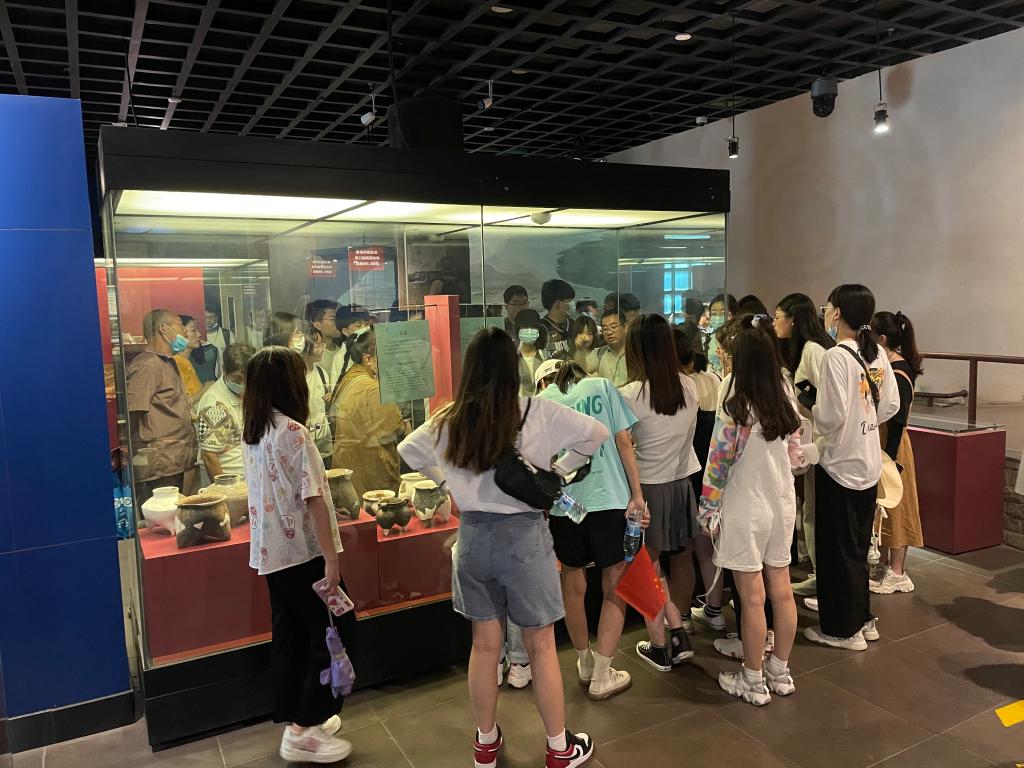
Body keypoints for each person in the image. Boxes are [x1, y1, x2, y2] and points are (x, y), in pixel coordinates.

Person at [398, 327, 607, 768]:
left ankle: (485, 744)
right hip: (524, 538)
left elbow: (408, 450)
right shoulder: (536, 410)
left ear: (470, 368)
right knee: (541, 646)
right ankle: (559, 748)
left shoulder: (449, 419)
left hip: (473, 537)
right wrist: (558, 472)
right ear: (513, 368)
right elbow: (596, 433)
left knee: (484, 645)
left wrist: (448, 484)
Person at [241, 346, 352, 764]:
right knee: (336, 632)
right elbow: (314, 499)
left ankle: (296, 717)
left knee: (291, 636)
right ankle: (306, 727)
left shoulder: (255, 431)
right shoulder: (294, 432)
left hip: (272, 555)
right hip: (304, 554)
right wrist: (332, 560)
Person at [698, 315, 812, 706]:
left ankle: (752, 678)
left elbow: (719, 461)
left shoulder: (735, 397)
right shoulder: (784, 391)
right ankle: (779, 670)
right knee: (782, 591)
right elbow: (796, 452)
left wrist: (707, 509)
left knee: (751, 597)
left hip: (746, 505)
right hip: (781, 502)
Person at [535, 358, 647, 701]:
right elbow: (624, 442)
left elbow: (539, 461)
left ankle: (584, 662)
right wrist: (638, 495)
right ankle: (602, 674)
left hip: (566, 505)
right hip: (609, 499)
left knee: (572, 582)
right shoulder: (601, 387)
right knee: (614, 584)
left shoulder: (543, 401)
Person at [806, 285, 899, 650]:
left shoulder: (836, 357)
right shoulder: (876, 353)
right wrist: (865, 420)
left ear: (838, 313)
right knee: (859, 547)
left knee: (837, 549)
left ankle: (842, 630)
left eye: (828, 307)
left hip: (840, 464)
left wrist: (809, 406)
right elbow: (889, 405)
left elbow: (829, 417)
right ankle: (862, 619)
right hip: (868, 460)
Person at [619, 314, 701, 672]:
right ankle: (678, 630)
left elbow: (623, 446)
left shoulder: (630, 395)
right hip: (680, 484)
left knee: (646, 567)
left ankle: (661, 644)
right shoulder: (689, 386)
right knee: (670, 561)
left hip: (647, 489)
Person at [774, 293, 836, 597]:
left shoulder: (813, 350)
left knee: (816, 512)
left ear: (793, 320)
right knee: (811, 510)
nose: (775, 323)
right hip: (815, 441)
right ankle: (821, 574)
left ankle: (824, 578)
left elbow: (828, 397)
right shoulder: (808, 349)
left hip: (822, 444)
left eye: (778, 317)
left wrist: (802, 404)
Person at [869, 311, 925, 594]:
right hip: (883, 443)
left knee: (898, 506)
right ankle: (887, 566)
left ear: (882, 339)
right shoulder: (888, 366)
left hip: (894, 446)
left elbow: (898, 419)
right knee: (885, 506)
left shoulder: (899, 371)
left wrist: (889, 459)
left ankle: (897, 572)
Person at [675, 328, 726, 636]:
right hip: (713, 473)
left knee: (683, 550)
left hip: (685, 470)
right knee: (708, 546)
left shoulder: (679, 386)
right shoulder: (716, 380)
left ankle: (681, 615)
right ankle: (715, 610)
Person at [126, 309, 200, 506]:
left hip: (175, 460)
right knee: (161, 516)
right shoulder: (148, 365)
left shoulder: (168, 362)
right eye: (180, 325)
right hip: (159, 465)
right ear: (164, 329)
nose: (185, 331)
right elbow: (133, 413)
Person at [331, 329, 406, 498]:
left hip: (349, 469)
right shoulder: (372, 388)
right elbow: (391, 430)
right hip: (371, 471)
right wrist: (405, 424)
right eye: (387, 356)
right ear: (368, 359)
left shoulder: (351, 376)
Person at [197, 343, 256, 479]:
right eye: (237, 379)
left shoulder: (252, 390)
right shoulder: (214, 406)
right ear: (224, 369)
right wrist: (223, 488)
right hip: (230, 481)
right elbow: (209, 456)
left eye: (247, 379)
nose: (243, 384)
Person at [303, 327, 334, 465]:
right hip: (304, 443)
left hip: (324, 442)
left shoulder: (321, 373)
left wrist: (331, 398)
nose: (322, 348)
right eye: (317, 345)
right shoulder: (295, 377)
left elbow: (325, 408)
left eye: (322, 344)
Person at [331, 305, 373, 384]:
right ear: (346, 331)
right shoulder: (340, 358)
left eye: (367, 324)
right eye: (358, 325)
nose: (365, 328)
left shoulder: (374, 348)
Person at [305, 300, 341, 387]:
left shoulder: (342, 352)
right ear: (317, 324)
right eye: (333, 319)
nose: (338, 322)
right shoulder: (311, 357)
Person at [514, 309, 549, 396]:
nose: (529, 331)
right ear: (518, 330)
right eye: (525, 327)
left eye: (533, 327)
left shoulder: (546, 355)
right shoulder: (510, 357)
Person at [173, 315, 206, 408]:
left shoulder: (186, 361)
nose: (199, 334)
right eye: (193, 330)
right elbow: (183, 404)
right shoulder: (175, 363)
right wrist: (205, 389)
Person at [540, 279, 576, 359]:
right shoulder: (541, 329)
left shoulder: (574, 325)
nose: (573, 304)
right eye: (569, 301)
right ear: (557, 304)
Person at [706, 293, 738, 376]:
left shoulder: (738, 339)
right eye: (714, 314)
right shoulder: (707, 340)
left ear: (734, 315)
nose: (718, 317)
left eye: (723, 313)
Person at [596, 309, 628, 386]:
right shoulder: (598, 354)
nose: (609, 332)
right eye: (605, 329)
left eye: (613, 327)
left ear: (626, 327)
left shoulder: (637, 353)